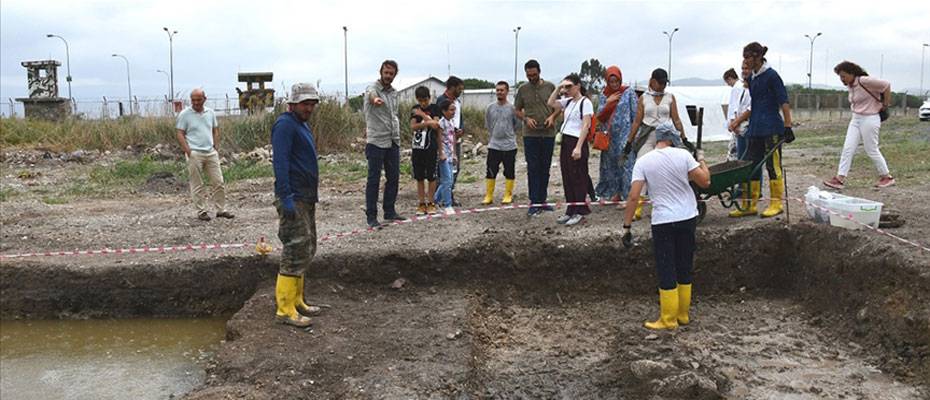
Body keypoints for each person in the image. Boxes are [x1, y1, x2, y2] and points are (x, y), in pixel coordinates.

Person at [621, 122, 710, 330]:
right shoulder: (684, 156)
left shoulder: (644, 161)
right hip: (688, 217)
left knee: (666, 266)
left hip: (663, 220)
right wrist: (702, 160)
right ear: (672, 139)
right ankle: (683, 315)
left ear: (658, 139)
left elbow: (634, 196)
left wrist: (627, 226)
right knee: (684, 264)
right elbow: (705, 181)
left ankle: (668, 319)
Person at [270, 83, 326, 328]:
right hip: (293, 196)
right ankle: (284, 309)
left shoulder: (301, 124)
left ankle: (297, 301)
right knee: (294, 248)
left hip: (306, 195)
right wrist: (286, 197)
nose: (310, 107)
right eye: (305, 103)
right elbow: (280, 164)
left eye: (312, 103)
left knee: (306, 246)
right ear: (292, 103)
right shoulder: (284, 125)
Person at [728, 42, 794, 218]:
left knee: (773, 166)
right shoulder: (753, 78)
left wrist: (788, 126)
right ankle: (750, 204)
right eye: (744, 58)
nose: (745, 62)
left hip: (771, 127)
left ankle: (776, 203)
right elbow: (753, 104)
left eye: (748, 57)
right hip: (755, 128)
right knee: (751, 166)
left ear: (757, 57)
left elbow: (784, 102)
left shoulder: (772, 76)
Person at [625, 68, 688, 220]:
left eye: (665, 83)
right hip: (648, 136)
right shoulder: (644, 99)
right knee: (642, 165)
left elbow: (676, 119)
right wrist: (629, 141)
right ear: (652, 81)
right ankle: (637, 208)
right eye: (660, 83)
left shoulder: (670, 97)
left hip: (666, 137)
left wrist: (684, 137)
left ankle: (665, 204)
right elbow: (637, 122)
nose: (663, 86)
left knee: (666, 169)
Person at [823, 61, 895, 189]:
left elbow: (886, 85)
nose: (842, 80)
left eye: (844, 76)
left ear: (852, 73)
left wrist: (885, 104)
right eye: (840, 77)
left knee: (871, 149)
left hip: (870, 118)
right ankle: (840, 178)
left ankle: (886, 176)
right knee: (847, 148)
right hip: (856, 118)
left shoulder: (864, 80)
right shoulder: (851, 86)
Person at [175, 88, 234, 221]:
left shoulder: (210, 113)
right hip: (194, 153)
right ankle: (201, 211)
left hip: (210, 152)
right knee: (197, 183)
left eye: (198, 100)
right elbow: (179, 133)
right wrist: (188, 151)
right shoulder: (184, 114)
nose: (196, 102)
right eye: (193, 100)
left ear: (204, 99)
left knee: (218, 181)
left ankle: (221, 210)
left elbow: (215, 129)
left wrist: (216, 146)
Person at [514, 59, 560, 216]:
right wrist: (526, 119)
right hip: (530, 135)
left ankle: (543, 200)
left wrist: (553, 117)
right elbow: (517, 110)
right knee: (533, 168)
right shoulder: (522, 89)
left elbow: (559, 107)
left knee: (545, 167)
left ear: (539, 72)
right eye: (528, 75)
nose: (531, 78)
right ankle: (534, 202)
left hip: (548, 134)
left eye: (534, 74)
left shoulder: (550, 87)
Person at [547, 73, 594, 226]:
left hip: (577, 141)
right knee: (567, 176)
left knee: (578, 176)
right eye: (565, 86)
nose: (566, 89)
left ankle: (580, 210)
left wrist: (579, 147)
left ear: (578, 86)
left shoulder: (585, 102)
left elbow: (586, 125)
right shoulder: (568, 102)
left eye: (569, 86)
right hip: (566, 141)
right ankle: (571, 209)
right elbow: (551, 103)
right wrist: (558, 88)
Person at [364, 60, 405, 228]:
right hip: (376, 141)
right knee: (373, 179)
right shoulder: (372, 88)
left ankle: (389, 210)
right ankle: (371, 216)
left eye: (391, 73)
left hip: (392, 140)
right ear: (381, 72)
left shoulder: (394, 93)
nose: (388, 76)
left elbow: (393, 114)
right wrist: (375, 100)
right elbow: (371, 94)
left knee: (394, 177)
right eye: (386, 72)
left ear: (395, 75)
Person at [595, 65, 638, 208]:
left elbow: (635, 114)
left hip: (625, 135)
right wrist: (608, 103)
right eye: (611, 82)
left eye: (616, 81)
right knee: (611, 165)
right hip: (609, 137)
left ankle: (628, 196)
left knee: (626, 165)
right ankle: (615, 193)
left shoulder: (628, 93)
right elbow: (599, 116)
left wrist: (634, 135)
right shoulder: (604, 95)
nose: (614, 85)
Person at [727, 60, 759, 217]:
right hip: (740, 129)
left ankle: (752, 200)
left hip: (750, 128)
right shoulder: (741, 88)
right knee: (741, 161)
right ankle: (745, 198)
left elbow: (751, 108)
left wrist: (737, 122)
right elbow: (736, 107)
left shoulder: (755, 88)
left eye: (747, 68)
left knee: (751, 162)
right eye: (742, 68)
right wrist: (733, 123)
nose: (744, 71)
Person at [483, 81, 520, 205]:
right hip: (494, 144)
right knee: (491, 170)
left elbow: (517, 125)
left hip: (509, 145)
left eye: (502, 90)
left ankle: (508, 194)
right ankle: (489, 195)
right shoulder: (490, 108)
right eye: (497, 90)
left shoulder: (513, 108)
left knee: (509, 170)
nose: (499, 92)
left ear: (507, 91)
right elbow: (488, 124)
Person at [409, 86, 441, 215]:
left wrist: (423, 116)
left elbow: (436, 125)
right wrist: (428, 122)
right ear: (417, 99)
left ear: (429, 98)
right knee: (420, 177)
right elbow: (413, 126)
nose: (423, 103)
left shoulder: (434, 108)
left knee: (431, 176)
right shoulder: (414, 109)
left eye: (425, 100)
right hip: (418, 148)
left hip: (431, 147)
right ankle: (421, 203)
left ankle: (431, 202)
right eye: (421, 100)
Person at [435, 76, 465, 206]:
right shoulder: (441, 101)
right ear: (452, 87)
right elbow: (438, 122)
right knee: (443, 172)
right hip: (444, 142)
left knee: (454, 169)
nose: (461, 91)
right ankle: (440, 198)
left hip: (455, 140)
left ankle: (448, 195)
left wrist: (461, 129)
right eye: (459, 89)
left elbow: (460, 117)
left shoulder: (457, 102)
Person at [435, 100, 457, 214]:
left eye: (454, 110)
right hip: (443, 155)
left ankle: (435, 200)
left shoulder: (452, 122)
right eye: (451, 110)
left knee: (450, 180)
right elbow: (439, 138)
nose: (453, 112)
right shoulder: (441, 123)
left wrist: (454, 154)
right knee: (447, 180)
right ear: (444, 111)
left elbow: (453, 138)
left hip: (450, 154)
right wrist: (441, 153)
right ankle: (447, 205)